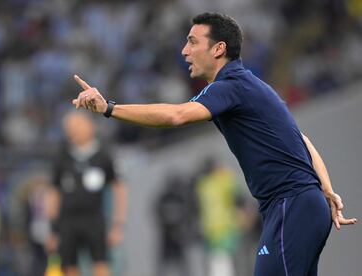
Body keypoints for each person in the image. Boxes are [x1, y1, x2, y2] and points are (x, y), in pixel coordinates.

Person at [71, 12, 357, 275]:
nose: (184, 51)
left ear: (218, 49)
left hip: (291, 205)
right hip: (300, 204)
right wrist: (326, 190)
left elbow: (176, 115)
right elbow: (303, 140)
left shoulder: (231, 86)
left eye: (193, 42)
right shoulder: (251, 86)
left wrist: (108, 108)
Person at [45, 110, 127, 276]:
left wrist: (118, 225)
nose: (72, 131)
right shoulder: (62, 157)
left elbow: (119, 189)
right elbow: (54, 193)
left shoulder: (104, 155)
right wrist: (52, 228)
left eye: (76, 126)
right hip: (67, 220)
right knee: (69, 266)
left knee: (101, 264)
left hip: (94, 218)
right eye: (69, 128)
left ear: (90, 126)